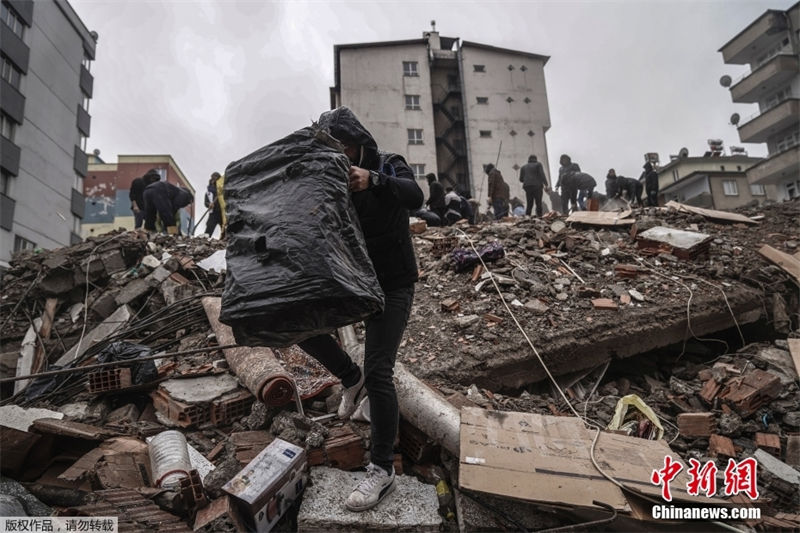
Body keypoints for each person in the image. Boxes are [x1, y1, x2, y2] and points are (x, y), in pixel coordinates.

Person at [296, 106, 423, 512]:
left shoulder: (388, 165)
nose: (340, 156)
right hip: (354, 284)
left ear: (357, 143)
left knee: (380, 370)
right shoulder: (330, 181)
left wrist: (375, 181)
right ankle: (352, 381)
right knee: (301, 324)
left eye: (343, 148)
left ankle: (381, 470)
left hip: (393, 285)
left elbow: (416, 197)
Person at [204, 172, 224, 236]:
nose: (213, 179)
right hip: (213, 213)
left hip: (222, 213)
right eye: (212, 177)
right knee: (208, 230)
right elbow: (205, 203)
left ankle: (224, 242)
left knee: (225, 230)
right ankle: (205, 241)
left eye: (215, 177)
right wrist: (209, 204)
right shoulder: (208, 192)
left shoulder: (222, 190)